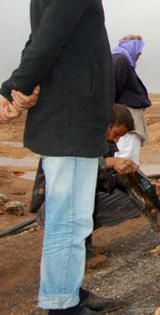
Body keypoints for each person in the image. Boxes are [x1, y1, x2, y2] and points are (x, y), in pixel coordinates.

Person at [0, 0, 125, 314]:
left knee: (73, 217)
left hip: (72, 117)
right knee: (69, 219)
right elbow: (47, 40)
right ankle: (60, 303)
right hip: (71, 120)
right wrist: (15, 87)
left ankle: (67, 290)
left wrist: (19, 85)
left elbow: (44, 38)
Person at [31, 104, 140, 270]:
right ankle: (72, 251)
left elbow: (106, 179)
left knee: (131, 200)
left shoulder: (104, 141)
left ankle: (84, 243)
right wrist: (109, 163)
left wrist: (140, 187)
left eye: (120, 137)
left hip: (80, 197)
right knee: (80, 194)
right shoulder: (74, 136)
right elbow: (71, 169)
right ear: (106, 124)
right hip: (54, 205)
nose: (116, 140)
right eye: (116, 134)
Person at [112, 34, 151, 164]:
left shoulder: (122, 60)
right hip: (125, 117)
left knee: (128, 154)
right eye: (138, 50)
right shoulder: (121, 60)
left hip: (127, 117)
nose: (139, 54)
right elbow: (114, 90)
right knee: (126, 155)